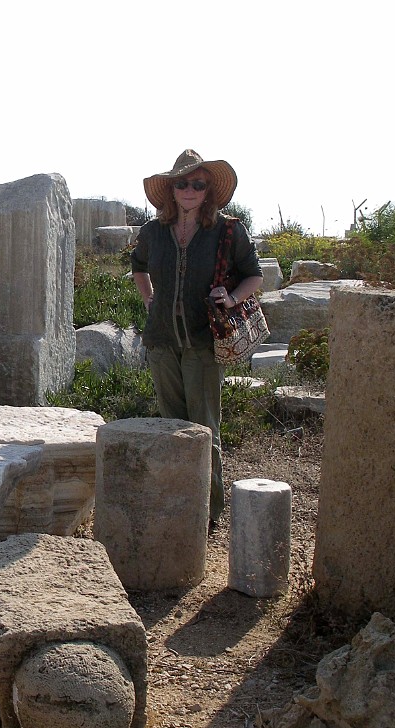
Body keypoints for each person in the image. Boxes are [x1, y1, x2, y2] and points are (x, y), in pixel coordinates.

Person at [131, 149, 263, 528]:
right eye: (182, 183)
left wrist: (233, 296)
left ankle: (209, 512)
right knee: (171, 427)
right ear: (171, 191)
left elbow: (254, 274)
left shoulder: (228, 230)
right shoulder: (153, 232)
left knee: (204, 429)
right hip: (160, 341)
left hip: (205, 342)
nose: (189, 189)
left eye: (197, 184)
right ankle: (178, 504)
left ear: (208, 191)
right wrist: (149, 297)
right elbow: (138, 266)